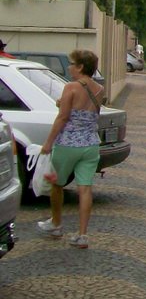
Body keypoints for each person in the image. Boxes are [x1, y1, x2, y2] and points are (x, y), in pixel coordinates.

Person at [36, 49, 105, 249]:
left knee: (57, 184)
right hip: (91, 144)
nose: (69, 67)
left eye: (72, 64)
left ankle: (56, 224)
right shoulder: (100, 89)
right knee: (85, 188)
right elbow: (88, 110)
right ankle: (82, 235)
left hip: (68, 143)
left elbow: (63, 117)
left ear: (81, 67)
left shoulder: (71, 87)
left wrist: (48, 142)